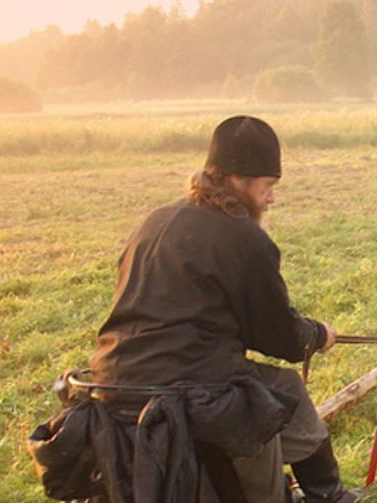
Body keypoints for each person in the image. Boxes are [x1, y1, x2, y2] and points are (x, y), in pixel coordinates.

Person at [89, 115, 356, 503]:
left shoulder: (157, 220)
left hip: (110, 380)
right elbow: (276, 334)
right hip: (189, 386)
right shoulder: (244, 237)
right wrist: (316, 335)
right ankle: (329, 496)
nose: (271, 198)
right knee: (288, 391)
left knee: (277, 388)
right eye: (267, 186)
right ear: (238, 180)